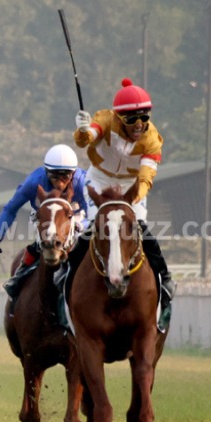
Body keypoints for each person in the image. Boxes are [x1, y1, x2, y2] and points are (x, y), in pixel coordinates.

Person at [66, 78, 175, 330]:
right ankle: (67, 273)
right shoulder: (105, 120)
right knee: (94, 227)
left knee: (139, 227)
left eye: (143, 118)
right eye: (131, 119)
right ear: (118, 117)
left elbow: (146, 178)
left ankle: (165, 278)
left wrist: (127, 204)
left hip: (131, 187)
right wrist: (82, 131)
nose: (138, 125)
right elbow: (86, 140)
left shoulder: (152, 140)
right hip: (100, 180)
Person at [0, 144, 89, 314]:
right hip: (44, 213)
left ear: (73, 173)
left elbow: (93, 213)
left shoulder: (82, 182)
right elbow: (10, 209)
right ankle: (20, 277)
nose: (60, 183)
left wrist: (79, 225)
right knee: (45, 239)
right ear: (46, 172)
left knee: (82, 242)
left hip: (76, 214)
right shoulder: (34, 182)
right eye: (54, 176)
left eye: (65, 176)